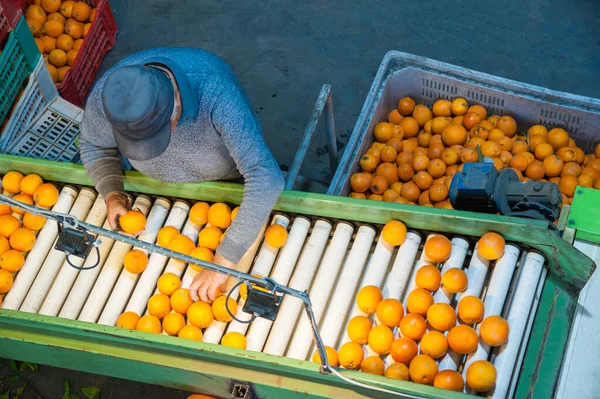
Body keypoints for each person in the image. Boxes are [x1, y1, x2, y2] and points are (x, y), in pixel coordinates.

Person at [79, 47, 285, 303]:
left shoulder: (215, 92)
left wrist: (222, 262)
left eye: (159, 136)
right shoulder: (110, 98)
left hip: (230, 185)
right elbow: (93, 145)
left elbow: (265, 176)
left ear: (177, 99)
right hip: (156, 194)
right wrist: (112, 193)